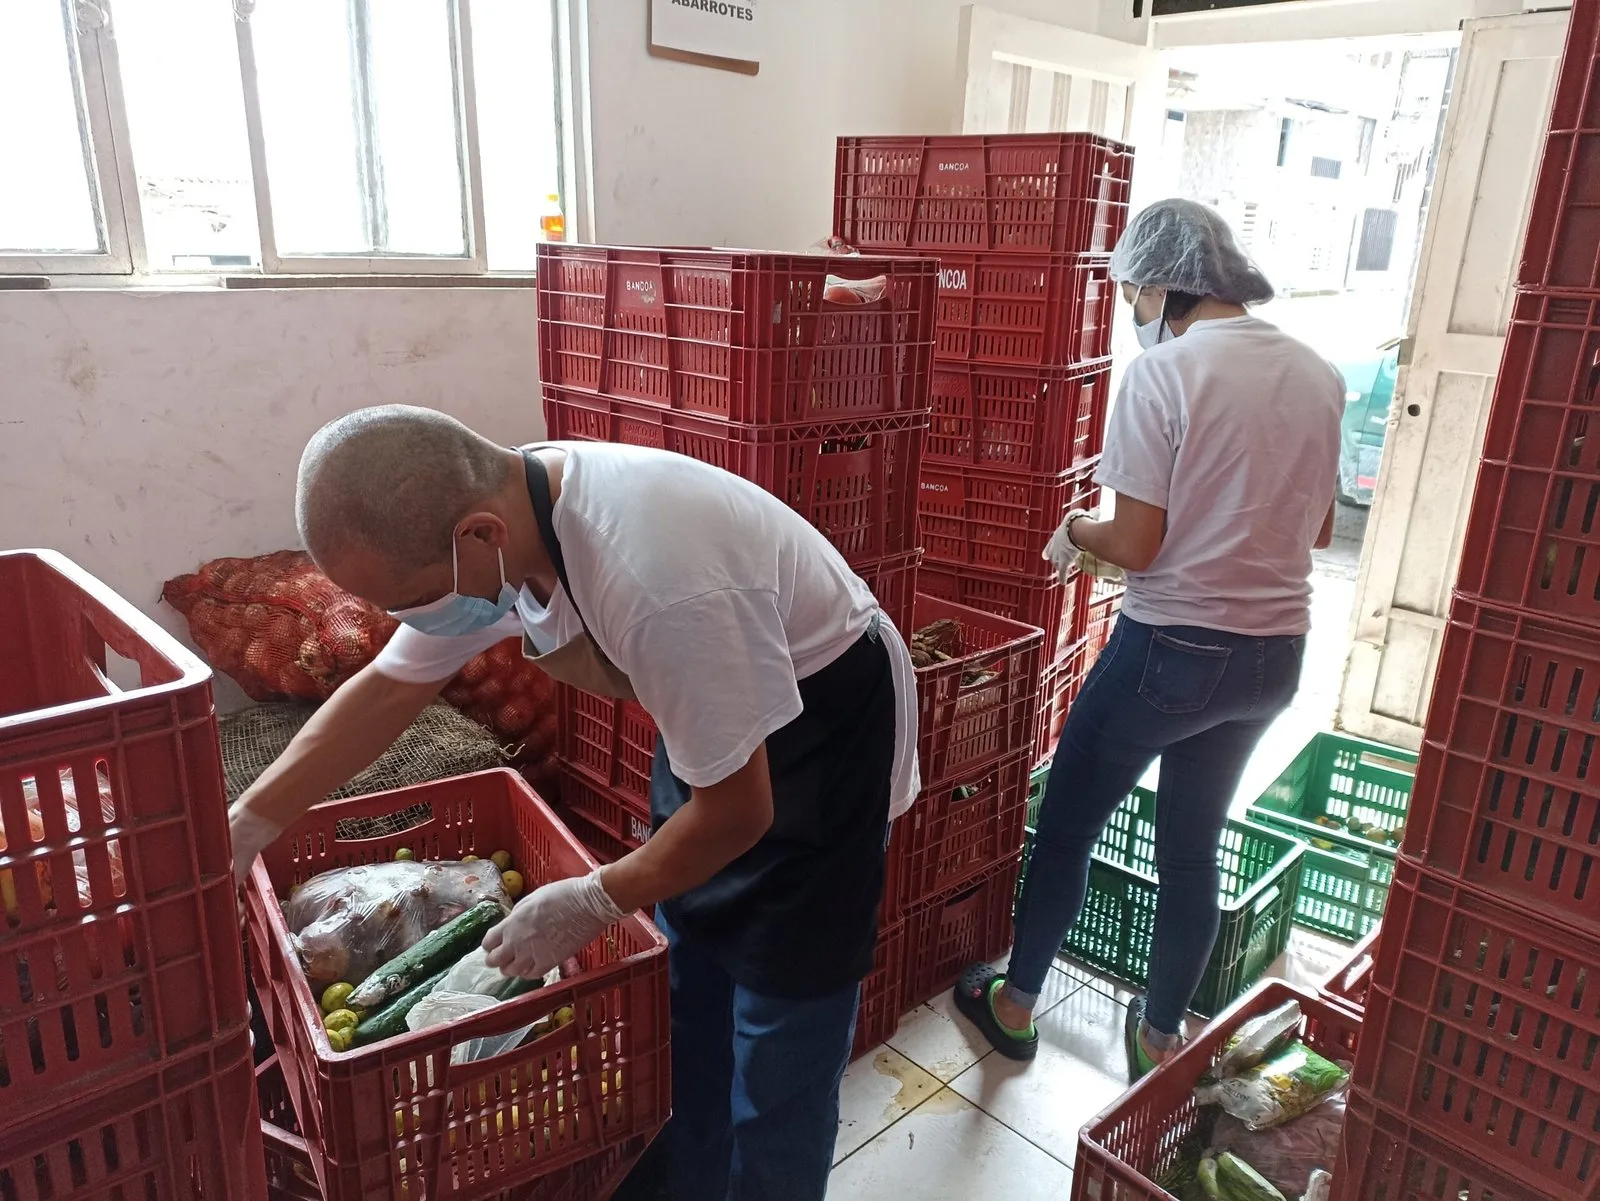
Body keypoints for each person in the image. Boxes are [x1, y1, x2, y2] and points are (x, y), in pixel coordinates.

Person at [228, 406, 920, 1201]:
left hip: (819, 729)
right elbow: (389, 686)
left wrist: (594, 896)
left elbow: (737, 813)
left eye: (419, 596)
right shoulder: (510, 526)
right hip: (712, 706)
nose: (420, 618)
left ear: (479, 536)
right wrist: (251, 819)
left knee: (781, 1034)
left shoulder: (655, 577)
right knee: (693, 994)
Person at [953, 199, 1342, 1080]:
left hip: (1173, 649)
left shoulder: (1165, 378)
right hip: (1275, 653)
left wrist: (1075, 528)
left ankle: (1013, 1007)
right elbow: (1316, 534)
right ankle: (1158, 1034)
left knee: (1065, 829)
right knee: (1192, 843)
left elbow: (1135, 544)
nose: (1132, 312)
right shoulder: (1317, 372)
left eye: (1133, 293)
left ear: (1167, 284)